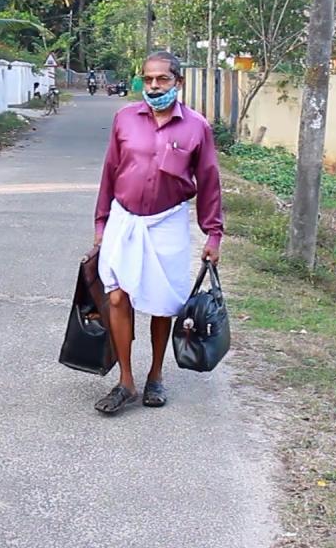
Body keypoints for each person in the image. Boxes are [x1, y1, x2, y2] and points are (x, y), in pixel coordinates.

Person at [91, 50, 223, 414]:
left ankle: (155, 376)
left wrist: (213, 235)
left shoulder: (197, 127)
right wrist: (101, 223)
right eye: (148, 79)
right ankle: (126, 381)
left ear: (177, 82)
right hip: (124, 219)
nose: (154, 86)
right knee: (117, 296)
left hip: (168, 222)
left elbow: (209, 182)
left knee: (162, 302)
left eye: (162, 79)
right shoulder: (124, 119)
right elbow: (110, 171)